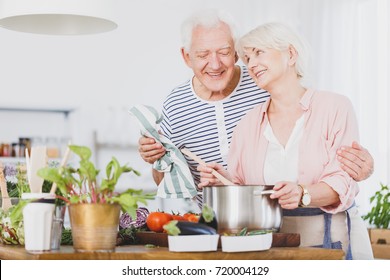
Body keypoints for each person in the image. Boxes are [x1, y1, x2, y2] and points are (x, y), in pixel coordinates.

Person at [138, 9, 374, 204]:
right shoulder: (176, 105)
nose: (215, 64)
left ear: (235, 54)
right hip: (215, 222)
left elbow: (321, 126)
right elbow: (167, 177)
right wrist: (156, 158)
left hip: (278, 221)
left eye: (224, 52)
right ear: (186, 56)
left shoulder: (264, 82)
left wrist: (363, 167)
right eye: (202, 55)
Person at [198, 22, 373, 259]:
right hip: (272, 247)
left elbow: (342, 181)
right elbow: (243, 185)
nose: (251, 64)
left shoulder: (335, 107)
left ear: (290, 54)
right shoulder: (248, 123)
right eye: (247, 58)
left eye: (259, 52)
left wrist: (302, 194)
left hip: (332, 242)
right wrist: (223, 180)